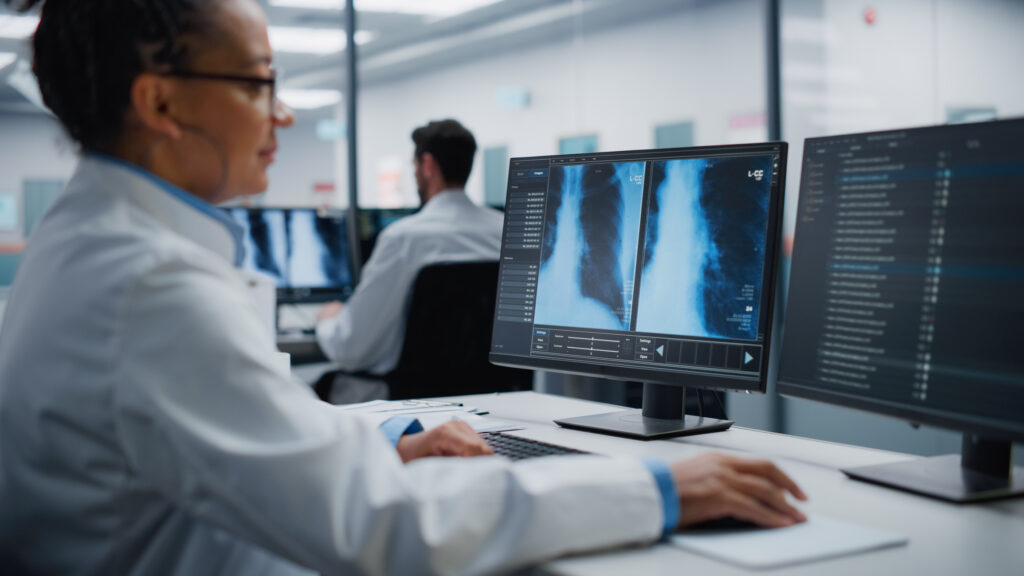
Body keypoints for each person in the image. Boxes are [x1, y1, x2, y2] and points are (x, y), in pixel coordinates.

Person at [0, 1, 807, 575]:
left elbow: (263, 424)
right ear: (161, 101)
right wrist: (654, 490)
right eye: (260, 82)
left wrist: (387, 441)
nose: (280, 116)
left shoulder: (84, 248)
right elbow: (382, 532)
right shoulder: (150, 286)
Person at [315, 119, 503, 375]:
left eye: (413, 166)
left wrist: (328, 321)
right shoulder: (505, 232)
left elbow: (351, 349)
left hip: (413, 399)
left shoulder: (404, 239)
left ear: (427, 165)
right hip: (499, 392)